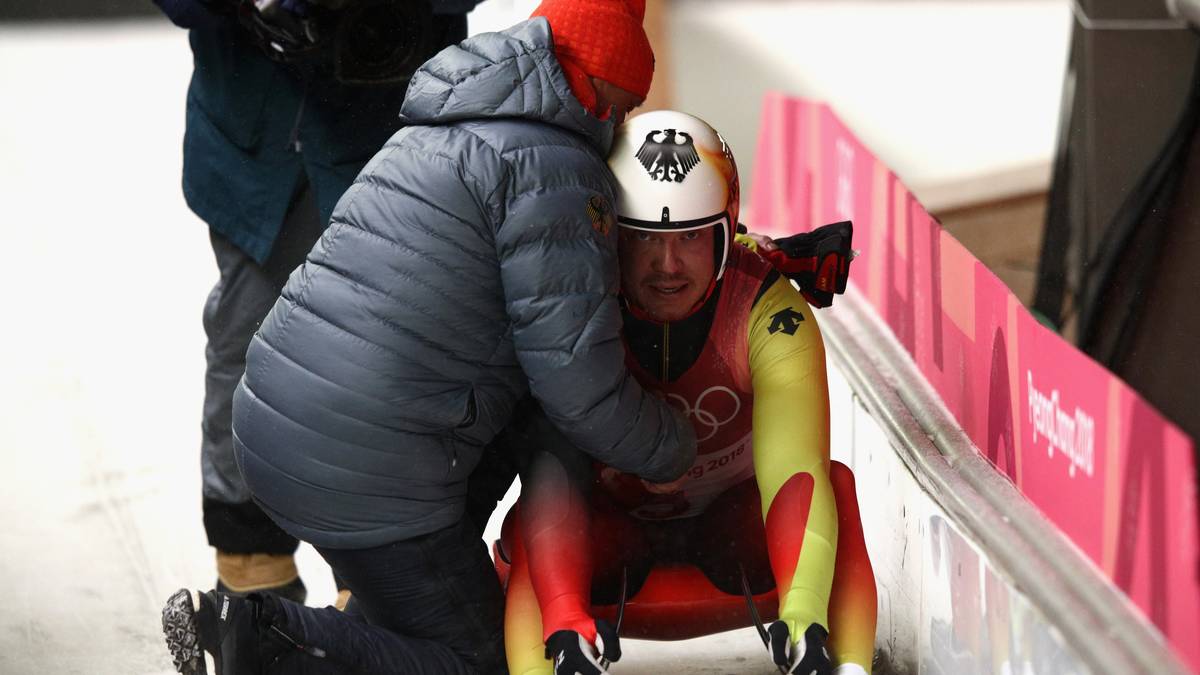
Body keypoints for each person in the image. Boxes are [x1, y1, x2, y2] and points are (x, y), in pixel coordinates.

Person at [161, 2, 698, 674]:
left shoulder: (447, 117)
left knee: (405, 612)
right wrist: (673, 445)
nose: (619, 126)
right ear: (594, 88)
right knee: (475, 659)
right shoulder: (557, 171)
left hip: (274, 429)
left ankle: (278, 625)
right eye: (622, 105)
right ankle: (262, 632)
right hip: (360, 468)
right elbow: (577, 382)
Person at [497, 110, 878, 675]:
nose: (667, 266)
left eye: (692, 237)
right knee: (538, 502)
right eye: (644, 237)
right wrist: (563, 611)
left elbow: (796, 470)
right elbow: (552, 470)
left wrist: (802, 615)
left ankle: (839, 664)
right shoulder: (571, 304)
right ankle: (559, 641)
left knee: (835, 486)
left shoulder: (771, 312)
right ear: (609, 237)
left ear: (727, 234)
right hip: (608, 540)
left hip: (736, 536)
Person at [153, 0, 483, 603]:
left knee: (385, 360)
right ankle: (251, 572)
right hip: (251, 146)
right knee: (246, 336)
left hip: (389, 135)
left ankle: (378, 581)